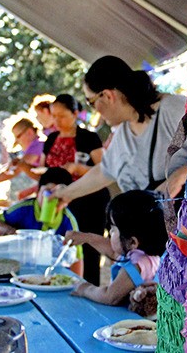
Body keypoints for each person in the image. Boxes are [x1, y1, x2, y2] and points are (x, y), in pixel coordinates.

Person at [52, 55, 187, 207]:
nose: (95, 110)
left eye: (91, 102)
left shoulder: (173, 109)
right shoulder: (123, 132)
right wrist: (63, 195)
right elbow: (103, 172)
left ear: (107, 96)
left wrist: (180, 175)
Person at [38, 93, 109, 285]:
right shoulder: (51, 138)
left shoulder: (89, 138)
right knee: (59, 247)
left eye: (62, 116)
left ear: (75, 113)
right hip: (57, 202)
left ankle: (90, 289)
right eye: (54, 116)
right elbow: (44, 169)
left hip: (89, 202)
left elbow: (105, 170)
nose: (57, 121)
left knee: (88, 250)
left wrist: (78, 169)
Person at [67, 190, 167, 306]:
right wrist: (86, 237)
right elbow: (112, 251)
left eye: (113, 229)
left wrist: (84, 289)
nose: (109, 232)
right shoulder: (144, 256)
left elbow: (110, 296)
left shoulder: (137, 265)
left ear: (133, 242)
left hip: (131, 322)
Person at [0, 167, 84, 276]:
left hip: (52, 274)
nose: (51, 201)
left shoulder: (68, 221)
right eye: (47, 194)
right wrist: (9, 230)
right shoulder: (23, 209)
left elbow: (77, 258)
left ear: (67, 201)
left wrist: (76, 285)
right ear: (37, 192)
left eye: (59, 198)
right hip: (20, 269)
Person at [0, 118, 44, 200]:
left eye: (18, 136)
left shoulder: (37, 146)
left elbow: (15, 170)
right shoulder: (32, 147)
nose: (16, 141)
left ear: (29, 132)